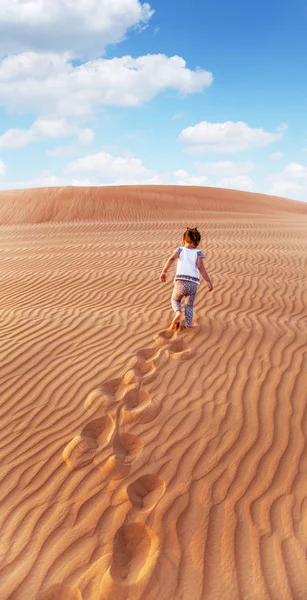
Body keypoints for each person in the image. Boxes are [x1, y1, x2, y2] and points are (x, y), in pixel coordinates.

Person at [159, 227, 213, 330]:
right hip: (193, 284)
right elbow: (201, 267)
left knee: (175, 300)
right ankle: (188, 325)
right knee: (189, 306)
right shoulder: (198, 253)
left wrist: (164, 271)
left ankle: (178, 312)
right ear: (197, 242)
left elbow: (171, 259)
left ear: (184, 240)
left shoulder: (180, 250)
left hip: (180, 282)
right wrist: (208, 281)